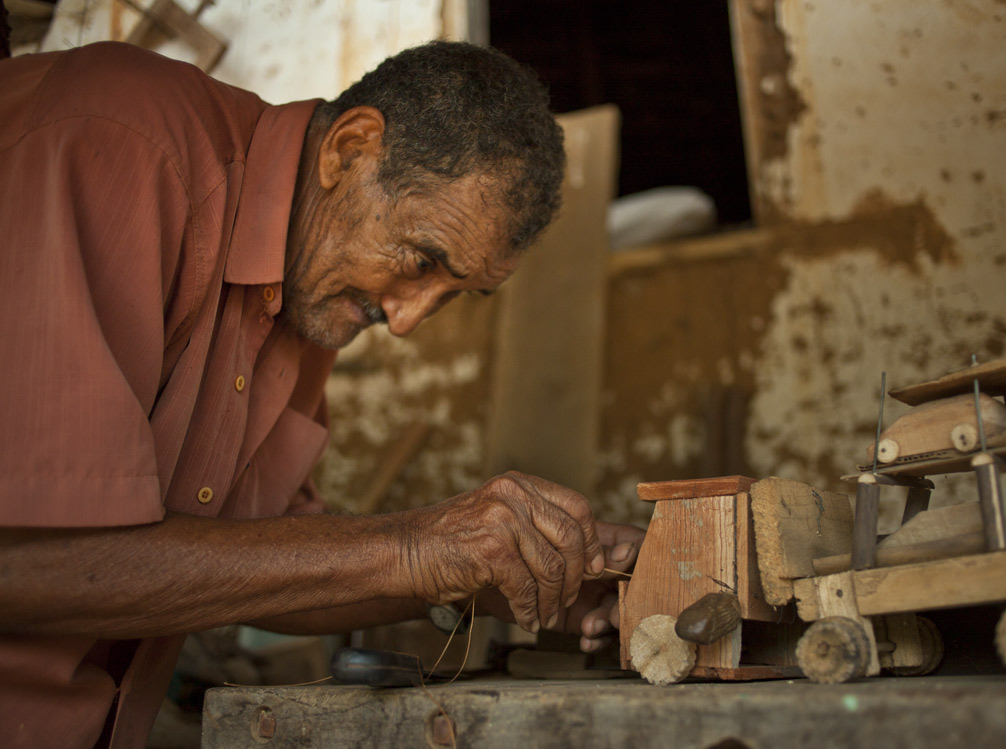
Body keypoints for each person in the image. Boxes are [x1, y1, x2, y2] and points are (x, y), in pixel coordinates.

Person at [0, 39, 643, 748]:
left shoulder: (306, 289)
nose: (404, 321)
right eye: (421, 259)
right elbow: (22, 559)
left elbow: (259, 564)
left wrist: (493, 576)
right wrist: (410, 547)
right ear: (350, 148)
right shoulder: (119, 140)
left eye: (454, 295)